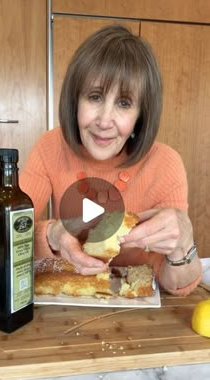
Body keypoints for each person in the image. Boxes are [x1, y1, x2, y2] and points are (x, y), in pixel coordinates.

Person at [20, 24, 202, 296]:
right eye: (94, 96)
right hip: (69, 305)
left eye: (124, 103)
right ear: (75, 100)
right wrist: (52, 233)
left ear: (142, 114)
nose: (104, 121)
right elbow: (8, 237)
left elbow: (179, 286)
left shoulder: (166, 164)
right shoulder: (50, 147)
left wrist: (183, 244)